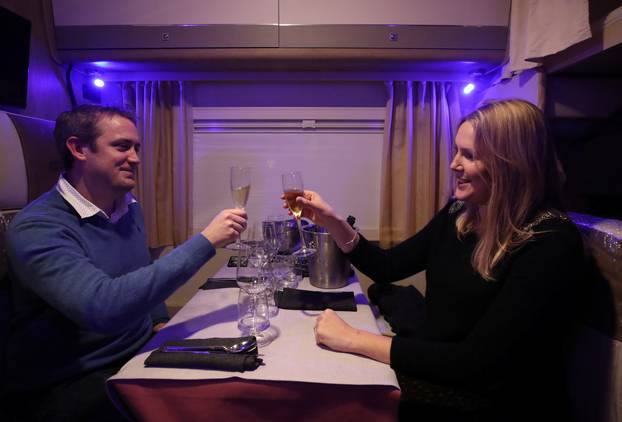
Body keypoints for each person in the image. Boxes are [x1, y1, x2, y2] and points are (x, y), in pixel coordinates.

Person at [290, 99, 584, 421]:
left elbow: (476, 363)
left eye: (469, 155)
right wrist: (332, 220)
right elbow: (387, 267)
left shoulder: (550, 241)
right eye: (456, 151)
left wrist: (354, 339)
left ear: (511, 164)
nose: (453, 164)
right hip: (442, 370)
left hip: (490, 400)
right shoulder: (462, 212)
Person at [4, 105, 247, 421]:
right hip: (70, 379)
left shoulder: (129, 209)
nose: (135, 158)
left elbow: (141, 268)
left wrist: (159, 321)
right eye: (122, 146)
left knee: (235, 384)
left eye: (137, 148)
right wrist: (206, 241)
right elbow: (102, 308)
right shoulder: (38, 227)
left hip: (137, 351)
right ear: (79, 149)